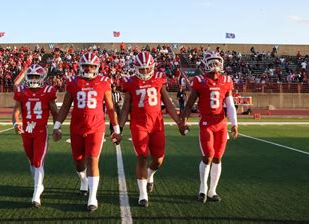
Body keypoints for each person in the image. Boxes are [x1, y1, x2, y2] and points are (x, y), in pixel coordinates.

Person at [52, 51, 122, 212]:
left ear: (96, 67)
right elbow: (65, 106)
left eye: (92, 66)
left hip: (96, 127)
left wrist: (116, 129)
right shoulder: (73, 82)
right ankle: (83, 180)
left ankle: (92, 196)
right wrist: (56, 126)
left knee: (92, 160)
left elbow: (110, 108)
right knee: (78, 161)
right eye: (86, 66)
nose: (89, 69)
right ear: (81, 66)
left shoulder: (104, 81)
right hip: (76, 127)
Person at [119, 51, 182, 207]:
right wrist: (119, 128)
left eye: (148, 68)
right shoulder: (131, 82)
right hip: (139, 125)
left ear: (152, 67)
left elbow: (167, 103)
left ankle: (150, 174)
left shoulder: (159, 79)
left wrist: (179, 121)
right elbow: (126, 106)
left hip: (156, 125)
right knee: (142, 157)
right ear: (136, 68)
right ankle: (143, 194)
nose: (145, 71)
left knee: (158, 159)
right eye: (142, 69)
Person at [179, 51, 239, 203]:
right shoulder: (199, 80)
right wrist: (183, 121)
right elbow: (189, 103)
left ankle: (212, 190)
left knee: (218, 158)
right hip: (206, 123)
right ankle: (202, 188)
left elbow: (230, 105)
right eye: (211, 62)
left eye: (217, 62)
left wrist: (234, 123)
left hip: (221, 123)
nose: (215, 65)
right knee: (207, 156)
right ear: (205, 64)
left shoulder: (226, 80)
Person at [12, 64, 58, 208]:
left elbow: (55, 112)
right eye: (31, 76)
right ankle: (38, 185)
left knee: (38, 161)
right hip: (27, 130)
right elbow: (16, 112)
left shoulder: (48, 91)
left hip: (40, 131)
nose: (33, 79)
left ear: (41, 77)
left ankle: (36, 193)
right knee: (31, 161)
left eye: (36, 76)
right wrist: (16, 123)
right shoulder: (21, 91)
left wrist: (57, 127)